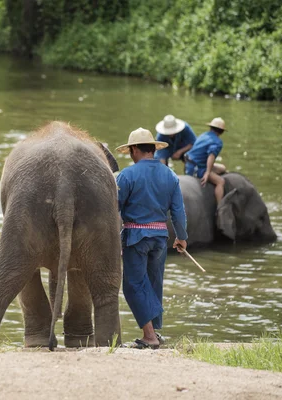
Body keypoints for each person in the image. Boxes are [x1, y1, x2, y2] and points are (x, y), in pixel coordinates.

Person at [115, 128, 188, 349]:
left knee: (133, 285)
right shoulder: (170, 175)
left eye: (130, 150)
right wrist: (182, 238)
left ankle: (149, 337)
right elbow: (178, 212)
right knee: (154, 282)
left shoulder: (127, 175)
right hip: (160, 238)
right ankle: (154, 330)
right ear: (153, 149)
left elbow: (114, 208)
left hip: (136, 238)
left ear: (135, 150)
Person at [184, 117, 227, 204]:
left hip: (189, 163)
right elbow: (211, 156)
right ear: (221, 131)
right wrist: (207, 173)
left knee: (222, 168)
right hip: (196, 168)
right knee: (220, 182)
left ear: (210, 127)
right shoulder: (217, 142)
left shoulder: (203, 135)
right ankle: (220, 207)